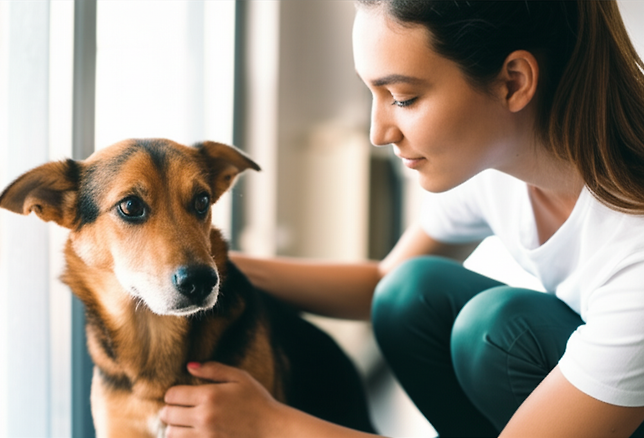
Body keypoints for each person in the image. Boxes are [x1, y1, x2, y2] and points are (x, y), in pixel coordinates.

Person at [160, 1, 644, 437]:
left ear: (512, 82)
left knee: (498, 327)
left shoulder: (635, 254)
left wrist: (271, 425)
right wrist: (209, 268)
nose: (378, 132)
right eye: (372, 94)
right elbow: (382, 283)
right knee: (409, 291)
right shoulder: (497, 164)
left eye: (403, 97)